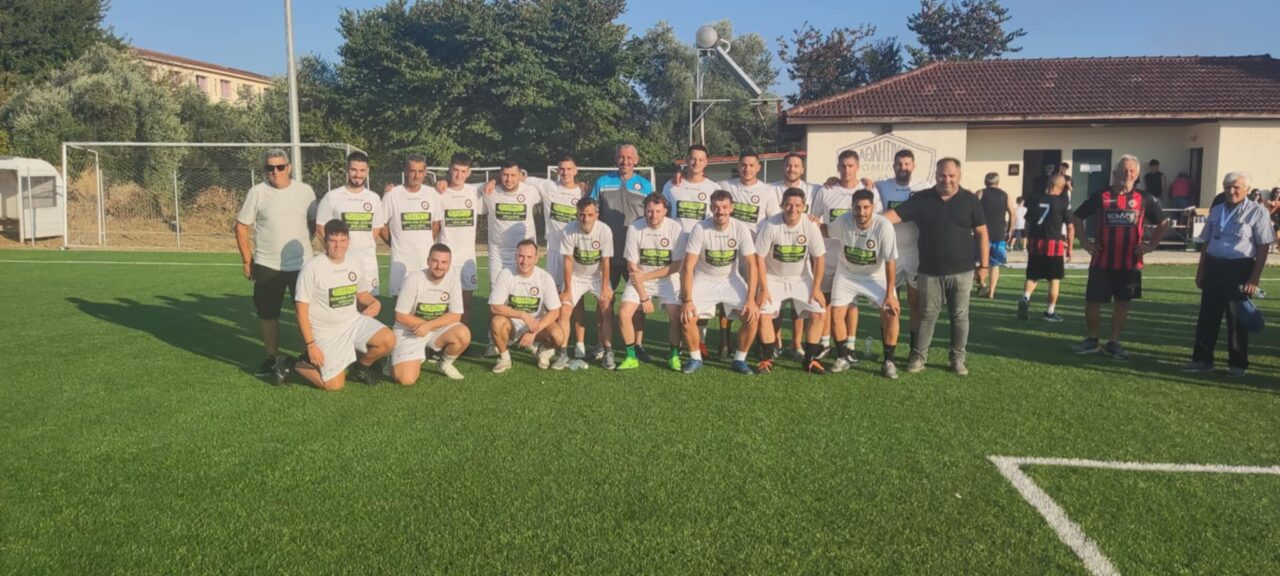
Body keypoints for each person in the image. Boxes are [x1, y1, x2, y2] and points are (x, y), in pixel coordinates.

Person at [883, 158, 988, 376]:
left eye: (951, 175)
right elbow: (893, 216)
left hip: (963, 271)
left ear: (959, 176)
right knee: (927, 315)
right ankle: (919, 357)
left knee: (960, 316)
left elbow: (982, 233)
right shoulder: (922, 198)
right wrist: (865, 221)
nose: (946, 180)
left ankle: (957, 359)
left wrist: (984, 266)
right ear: (936, 175)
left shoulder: (970, 200)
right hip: (929, 271)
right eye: (942, 175)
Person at [1070, 155, 1171, 360]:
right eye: (1124, 170)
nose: (1128, 174)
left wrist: (1151, 245)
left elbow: (1163, 222)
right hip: (1102, 260)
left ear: (1137, 175)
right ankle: (1092, 340)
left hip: (1130, 263)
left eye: (1132, 171)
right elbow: (1076, 216)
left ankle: (1113, 342)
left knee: (1123, 303)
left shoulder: (1144, 198)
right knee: (1092, 302)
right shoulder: (1101, 195)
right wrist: (1086, 242)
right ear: (1115, 174)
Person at [280, 219, 395, 390]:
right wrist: (311, 345)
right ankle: (292, 363)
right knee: (334, 385)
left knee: (388, 339)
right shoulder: (312, 267)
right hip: (325, 331)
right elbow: (301, 310)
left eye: (342, 240)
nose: (338, 246)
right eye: (333, 240)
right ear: (324, 241)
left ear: (348, 241)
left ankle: (360, 368)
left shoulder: (355, 263)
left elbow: (361, 293)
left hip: (352, 322)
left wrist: (374, 302)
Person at [234, 149, 318, 377]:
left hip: (302, 265)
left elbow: (313, 223)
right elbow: (241, 227)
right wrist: (247, 260)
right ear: (265, 170)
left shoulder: (305, 191)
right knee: (268, 314)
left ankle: (306, 358)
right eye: (270, 168)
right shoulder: (257, 192)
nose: (276, 171)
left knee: (306, 314)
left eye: (280, 167)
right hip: (267, 265)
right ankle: (272, 359)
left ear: (289, 167)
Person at [1184, 172, 1274, 377]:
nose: (1230, 191)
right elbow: (1207, 242)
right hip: (1214, 266)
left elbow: (1263, 246)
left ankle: (1238, 364)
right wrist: (1201, 270)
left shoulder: (1258, 212)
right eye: (1226, 187)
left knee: (1236, 319)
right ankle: (1202, 360)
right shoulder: (1217, 210)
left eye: (1235, 187)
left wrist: (1254, 278)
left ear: (1247, 190)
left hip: (1239, 268)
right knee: (1207, 316)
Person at [679, 190, 761, 375]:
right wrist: (687, 300)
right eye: (716, 207)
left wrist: (751, 300)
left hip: (730, 279)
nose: (720, 211)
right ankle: (695, 358)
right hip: (704, 278)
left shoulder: (740, 228)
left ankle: (739, 360)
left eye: (724, 207)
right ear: (711, 208)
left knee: (752, 316)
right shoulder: (700, 228)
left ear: (731, 208)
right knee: (687, 317)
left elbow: (752, 265)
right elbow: (688, 267)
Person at [811, 149, 878, 356]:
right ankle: (825, 343)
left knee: (850, 303)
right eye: (843, 165)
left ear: (857, 167)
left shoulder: (868, 190)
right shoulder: (826, 190)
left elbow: (876, 222)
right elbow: (814, 220)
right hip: (828, 254)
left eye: (851, 166)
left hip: (852, 257)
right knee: (825, 300)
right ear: (838, 167)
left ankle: (850, 345)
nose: (847, 170)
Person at [828, 189, 901, 378]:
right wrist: (808, 222)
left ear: (873, 207)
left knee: (891, 312)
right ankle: (842, 357)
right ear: (852, 207)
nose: (861, 212)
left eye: (866, 207)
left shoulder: (884, 226)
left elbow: (890, 261)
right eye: (858, 207)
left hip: (875, 276)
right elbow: (825, 230)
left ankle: (889, 361)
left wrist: (890, 294)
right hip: (847, 274)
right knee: (836, 314)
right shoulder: (843, 220)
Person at [754, 187, 828, 374]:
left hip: (801, 278)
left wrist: (816, 288)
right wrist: (763, 288)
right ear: (781, 205)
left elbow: (819, 258)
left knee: (819, 312)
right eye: (788, 204)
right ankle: (767, 359)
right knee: (763, 314)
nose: (792, 209)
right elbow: (759, 258)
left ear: (804, 207)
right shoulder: (771, 225)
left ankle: (809, 360)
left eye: (797, 205)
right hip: (773, 277)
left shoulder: (810, 226)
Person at [715, 151, 781, 358]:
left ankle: (761, 343)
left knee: (758, 296)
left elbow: (774, 220)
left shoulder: (767, 191)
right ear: (738, 166)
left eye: (752, 165)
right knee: (726, 295)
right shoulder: (725, 186)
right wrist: (679, 177)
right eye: (743, 165)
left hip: (755, 253)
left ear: (758, 167)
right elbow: (702, 186)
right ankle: (724, 342)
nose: (747, 169)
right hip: (730, 251)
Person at [525, 155, 591, 359]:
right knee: (551, 299)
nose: (565, 172)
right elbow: (521, 176)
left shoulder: (582, 192)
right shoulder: (548, 186)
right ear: (557, 170)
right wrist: (493, 182)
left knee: (575, 300)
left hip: (575, 253)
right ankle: (551, 340)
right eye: (562, 169)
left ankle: (579, 344)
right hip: (554, 252)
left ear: (576, 170)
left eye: (569, 169)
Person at [592, 144, 655, 356]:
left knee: (637, 301)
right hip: (608, 255)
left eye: (629, 157)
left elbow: (654, 215)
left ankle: (638, 344)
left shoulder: (645, 185)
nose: (625, 161)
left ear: (636, 160)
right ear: (615, 159)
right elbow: (592, 211)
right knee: (604, 300)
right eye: (621, 157)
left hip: (634, 257)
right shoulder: (602, 182)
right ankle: (602, 344)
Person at [617, 193, 686, 371]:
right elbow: (632, 266)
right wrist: (644, 297)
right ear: (644, 210)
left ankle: (673, 355)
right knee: (624, 313)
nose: (653, 215)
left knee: (676, 315)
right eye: (649, 211)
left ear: (665, 211)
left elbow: (677, 265)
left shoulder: (675, 228)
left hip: (667, 279)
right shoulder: (635, 228)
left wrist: (646, 277)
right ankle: (631, 356)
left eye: (658, 211)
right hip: (639, 279)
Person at [769, 152, 824, 359]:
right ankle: (776, 342)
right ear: (783, 167)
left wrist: (866, 182)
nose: (791, 169)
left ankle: (797, 343)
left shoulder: (814, 189)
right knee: (776, 304)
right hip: (774, 250)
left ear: (803, 169)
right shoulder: (770, 188)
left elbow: (835, 187)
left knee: (799, 303)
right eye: (788, 165)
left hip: (800, 251)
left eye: (796, 166)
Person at [390, 244, 471, 383]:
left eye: (444, 262)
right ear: (428, 261)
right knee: (406, 379)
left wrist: (429, 326)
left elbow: (456, 315)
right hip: (410, 331)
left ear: (449, 264)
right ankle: (392, 358)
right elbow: (400, 315)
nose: (439, 266)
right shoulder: (413, 279)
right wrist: (426, 326)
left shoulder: (453, 280)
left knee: (463, 334)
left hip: (434, 329)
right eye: (435, 261)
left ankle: (444, 364)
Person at [876, 149, 932, 352]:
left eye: (907, 164)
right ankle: (888, 350)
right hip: (889, 252)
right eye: (899, 164)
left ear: (913, 166)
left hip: (914, 252)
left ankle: (914, 349)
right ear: (893, 166)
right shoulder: (882, 186)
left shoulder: (925, 187)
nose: (903, 168)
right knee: (888, 302)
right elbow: (862, 188)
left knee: (914, 301)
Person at [488, 239, 566, 373]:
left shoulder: (545, 278)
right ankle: (505, 358)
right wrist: (522, 315)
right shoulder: (506, 274)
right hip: (511, 326)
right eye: (521, 256)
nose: (524, 261)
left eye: (529, 257)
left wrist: (533, 331)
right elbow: (494, 306)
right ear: (515, 257)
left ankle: (542, 350)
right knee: (497, 322)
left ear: (536, 259)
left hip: (536, 326)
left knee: (558, 336)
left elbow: (554, 311)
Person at [555, 197, 615, 369]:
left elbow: (606, 261)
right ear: (577, 214)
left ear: (597, 215)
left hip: (597, 276)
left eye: (590, 215)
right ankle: (562, 353)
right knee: (564, 309)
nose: (586, 219)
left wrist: (605, 287)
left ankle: (608, 352)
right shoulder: (568, 230)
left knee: (607, 307)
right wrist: (567, 289)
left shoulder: (604, 230)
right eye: (582, 215)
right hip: (576, 276)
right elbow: (568, 261)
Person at [314, 151, 385, 296]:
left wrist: (362, 246)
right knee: (341, 303)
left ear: (367, 171)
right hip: (340, 264)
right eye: (354, 170)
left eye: (362, 170)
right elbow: (320, 230)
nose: (358, 174)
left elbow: (375, 231)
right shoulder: (332, 197)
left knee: (369, 304)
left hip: (367, 265)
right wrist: (335, 254)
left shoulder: (374, 198)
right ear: (347, 170)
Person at [382, 154, 442, 297]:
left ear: (425, 172)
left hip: (424, 261)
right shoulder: (392, 194)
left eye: (420, 171)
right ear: (405, 171)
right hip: (400, 260)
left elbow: (436, 225)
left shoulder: (432, 194)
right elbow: (381, 225)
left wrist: (424, 241)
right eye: (413, 171)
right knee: (400, 302)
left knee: (424, 302)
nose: (416, 175)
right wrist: (394, 243)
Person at [435, 153, 484, 328]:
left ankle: (464, 336)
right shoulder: (439, 192)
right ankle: (440, 336)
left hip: (467, 260)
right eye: (456, 170)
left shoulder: (474, 190)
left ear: (469, 173)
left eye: (463, 171)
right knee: (442, 302)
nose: (459, 175)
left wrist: (493, 182)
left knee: (466, 302)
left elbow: (500, 181)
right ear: (450, 169)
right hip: (445, 259)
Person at [1018, 174, 1074, 322]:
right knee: (1054, 279)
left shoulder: (1034, 199)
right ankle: (1050, 312)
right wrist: (1070, 247)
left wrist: (1029, 239)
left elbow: (1028, 223)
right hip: (1054, 245)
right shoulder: (1063, 202)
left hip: (1036, 243)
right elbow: (1070, 227)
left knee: (1032, 276)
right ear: (1061, 187)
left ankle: (1025, 297)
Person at [483, 160, 542, 291]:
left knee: (523, 293)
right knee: (496, 294)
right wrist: (445, 182)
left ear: (520, 175)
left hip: (524, 254)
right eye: (505, 175)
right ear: (500, 175)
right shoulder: (489, 191)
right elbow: (462, 187)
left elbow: (551, 190)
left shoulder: (531, 191)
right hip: (498, 254)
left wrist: (580, 186)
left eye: (513, 175)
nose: (509, 179)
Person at [976, 172, 1015, 298]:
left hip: (982, 234)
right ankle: (991, 292)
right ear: (998, 182)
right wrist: (1010, 230)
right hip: (999, 234)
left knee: (978, 261)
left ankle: (982, 284)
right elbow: (1012, 213)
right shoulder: (1005, 195)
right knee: (995, 264)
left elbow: (972, 210)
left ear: (985, 182)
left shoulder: (980, 193)